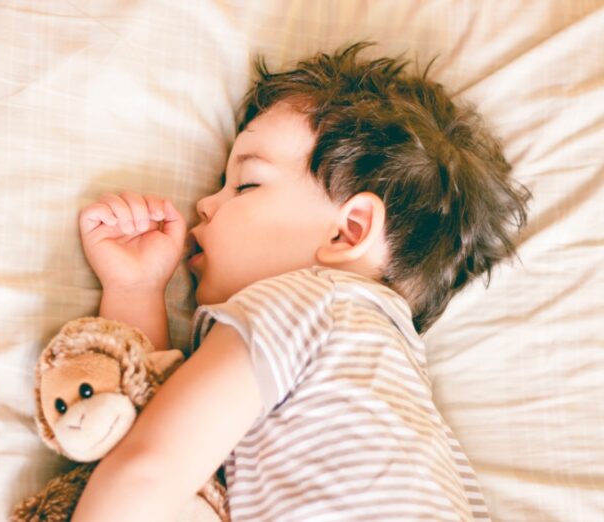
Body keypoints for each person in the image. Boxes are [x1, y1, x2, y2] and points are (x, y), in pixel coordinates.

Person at [72, 42, 530, 521]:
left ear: (348, 231)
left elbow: (151, 468)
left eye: (246, 185)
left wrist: (134, 292)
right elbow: (183, 476)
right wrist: (136, 290)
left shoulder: (306, 303)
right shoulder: (386, 383)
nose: (206, 204)